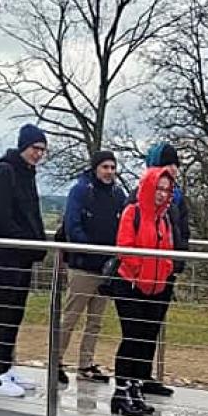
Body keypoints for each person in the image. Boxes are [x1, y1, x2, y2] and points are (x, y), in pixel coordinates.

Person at [0, 124, 49, 397]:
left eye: (42, 149)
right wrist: (23, 241)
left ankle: (6, 366)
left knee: (15, 311)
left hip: (23, 255)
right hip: (8, 254)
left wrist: (36, 244)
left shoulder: (27, 174)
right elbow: (0, 215)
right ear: (23, 146)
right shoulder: (5, 172)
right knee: (3, 310)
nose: (38, 154)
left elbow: (31, 214)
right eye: (34, 148)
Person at [110, 167, 178, 416]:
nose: (162, 194)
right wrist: (139, 273)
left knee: (146, 339)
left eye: (166, 190)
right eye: (158, 188)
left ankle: (136, 387)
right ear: (148, 187)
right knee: (132, 337)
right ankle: (121, 391)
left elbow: (169, 248)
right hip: (131, 285)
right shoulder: (133, 212)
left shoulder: (164, 218)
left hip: (156, 287)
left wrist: (165, 273)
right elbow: (125, 247)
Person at [58, 150, 127, 385]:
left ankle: (86, 365)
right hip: (83, 266)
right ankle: (55, 361)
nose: (109, 171)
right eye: (105, 167)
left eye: (112, 167)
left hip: (106, 268)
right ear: (96, 168)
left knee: (95, 321)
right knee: (70, 317)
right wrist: (88, 249)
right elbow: (72, 224)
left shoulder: (118, 194)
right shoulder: (81, 190)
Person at [140, 142, 189, 398]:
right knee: (141, 327)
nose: (174, 170)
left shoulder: (176, 195)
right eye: (168, 165)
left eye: (175, 165)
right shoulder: (141, 196)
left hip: (167, 268)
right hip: (148, 271)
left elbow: (182, 229)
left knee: (154, 324)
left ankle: (145, 375)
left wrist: (179, 259)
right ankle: (136, 377)